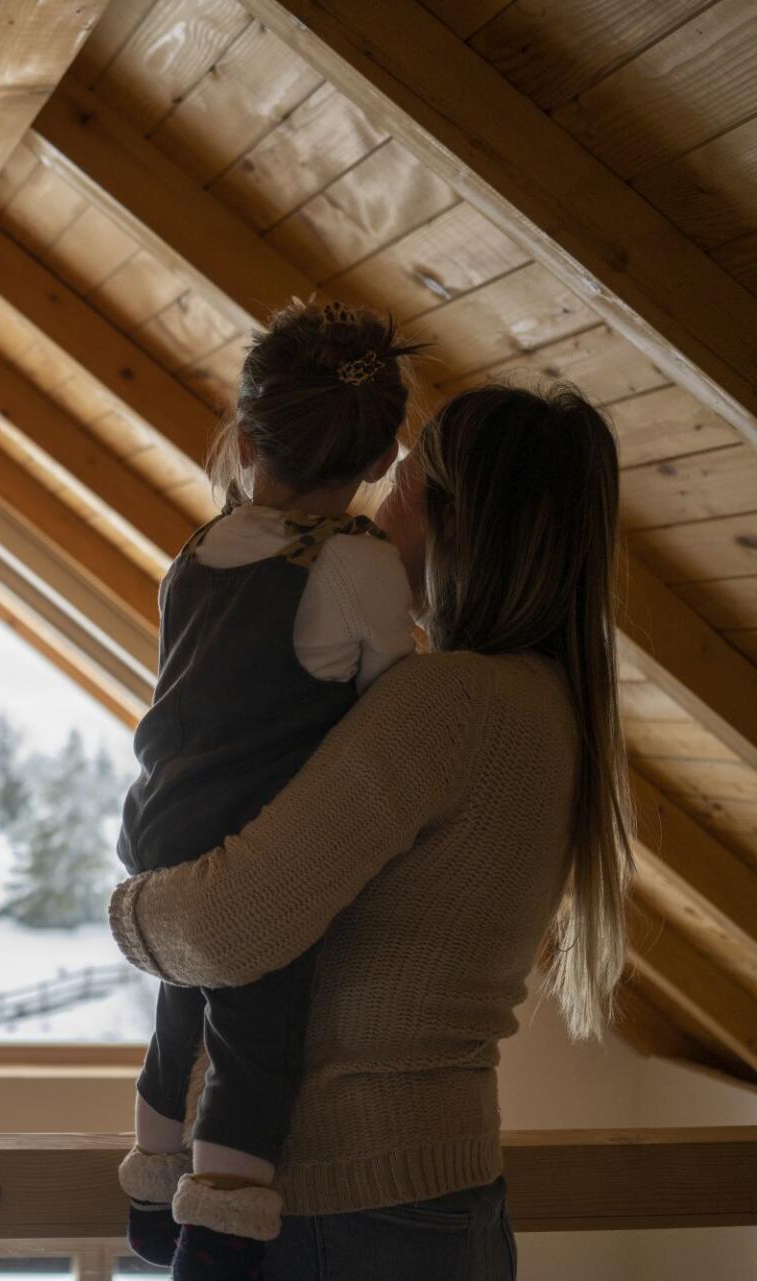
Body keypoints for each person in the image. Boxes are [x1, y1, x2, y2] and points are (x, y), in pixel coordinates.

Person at [110, 382, 632, 1280]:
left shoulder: (446, 703)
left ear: (461, 524)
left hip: (342, 1215)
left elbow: (227, 928)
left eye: (405, 485)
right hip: (441, 1201)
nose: (377, 502)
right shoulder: (547, 704)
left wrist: (131, 906)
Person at [114, 301, 423, 1279]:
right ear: (380, 463)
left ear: (245, 442)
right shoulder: (359, 564)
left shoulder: (196, 555)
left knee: (178, 1010)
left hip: (160, 827)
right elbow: (393, 707)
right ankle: (218, 1231)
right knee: (257, 1033)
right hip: (253, 843)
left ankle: (150, 1187)